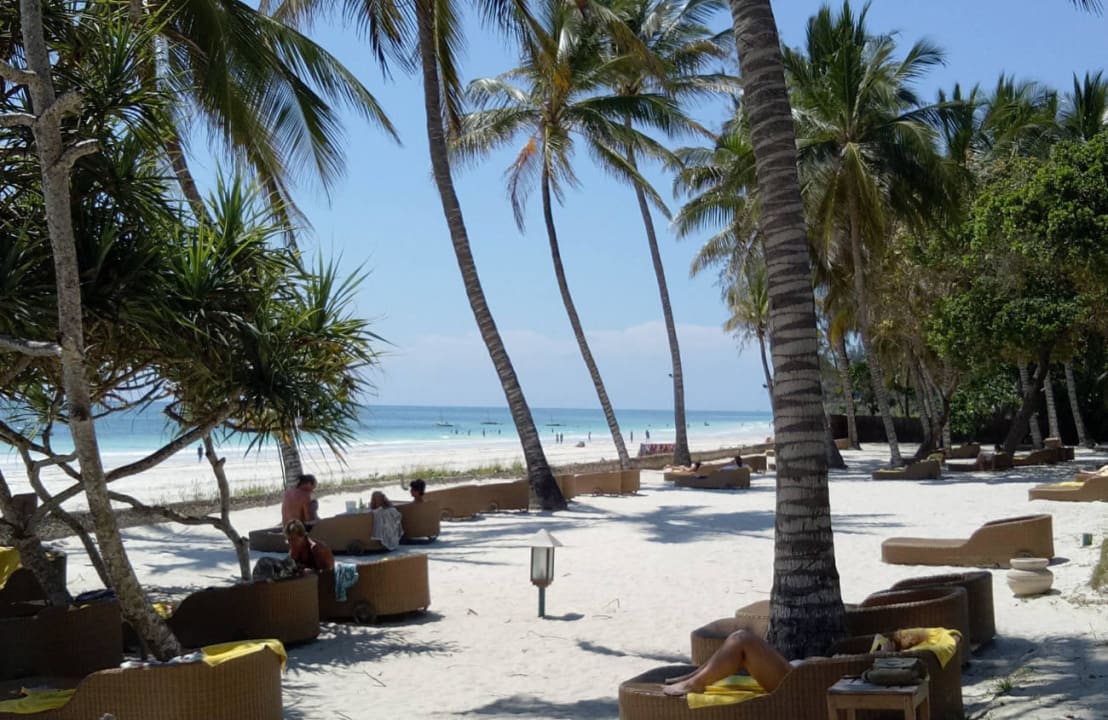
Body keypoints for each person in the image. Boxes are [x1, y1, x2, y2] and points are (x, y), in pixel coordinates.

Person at [663, 628, 928, 697]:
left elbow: (863, 674)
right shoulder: (866, 654)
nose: (883, 641)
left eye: (891, 641)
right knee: (738, 644)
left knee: (741, 639)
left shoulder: (878, 662)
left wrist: (883, 653)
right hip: (796, 670)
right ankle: (694, 678)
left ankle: (696, 683)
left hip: (796, 680)